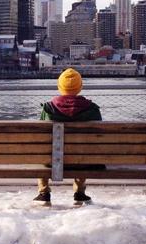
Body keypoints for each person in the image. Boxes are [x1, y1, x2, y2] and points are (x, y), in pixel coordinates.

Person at [34, 68, 102, 207]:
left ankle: (44, 193)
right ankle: (80, 193)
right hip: (83, 162)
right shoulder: (92, 109)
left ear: (60, 87)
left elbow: (40, 139)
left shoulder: (48, 109)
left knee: (42, 152)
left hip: (52, 161)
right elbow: (98, 139)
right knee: (85, 151)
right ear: (80, 87)